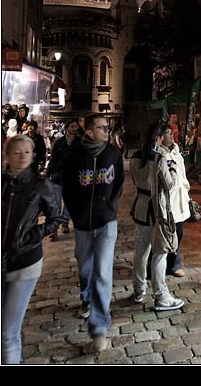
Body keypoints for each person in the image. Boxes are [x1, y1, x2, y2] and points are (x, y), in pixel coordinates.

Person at [62, 113, 124, 353]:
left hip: (106, 222)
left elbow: (118, 181)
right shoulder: (75, 157)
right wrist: (76, 214)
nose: (106, 131)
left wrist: (110, 206)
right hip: (82, 224)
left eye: (107, 127)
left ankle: (98, 327)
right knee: (85, 267)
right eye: (101, 127)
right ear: (88, 131)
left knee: (102, 272)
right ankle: (86, 297)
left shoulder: (112, 154)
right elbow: (67, 188)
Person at [2, 135, 61, 364]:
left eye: (27, 152)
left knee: (7, 331)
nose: (22, 156)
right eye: (17, 151)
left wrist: (31, 236)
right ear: (7, 155)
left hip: (26, 261)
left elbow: (55, 218)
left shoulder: (39, 184)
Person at [130, 124, 185, 311]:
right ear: (158, 139)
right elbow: (169, 185)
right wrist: (173, 169)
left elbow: (134, 180)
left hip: (139, 208)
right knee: (160, 254)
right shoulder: (159, 158)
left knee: (140, 253)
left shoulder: (135, 157)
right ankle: (161, 295)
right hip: (157, 210)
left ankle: (138, 290)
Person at [159, 126, 191, 277]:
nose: (171, 135)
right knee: (166, 234)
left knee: (178, 232)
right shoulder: (159, 153)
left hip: (180, 199)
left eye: (172, 133)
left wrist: (185, 187)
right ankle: (163, 264)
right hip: (167, 200)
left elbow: (182, 172)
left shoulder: (176, 151)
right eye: (167, 133)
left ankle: (174, 264)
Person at [45, 118, 81, 240]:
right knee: (56, 205)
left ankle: (65, 222)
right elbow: (53, 160)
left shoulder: (79, 143)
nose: (75, 128)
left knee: (70, 204)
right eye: (72, 126)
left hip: (73, 178)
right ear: (67, 128)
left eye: (76, 126)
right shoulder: (59, 143)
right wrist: (47, 176)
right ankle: (53, 229)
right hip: (58, 177)